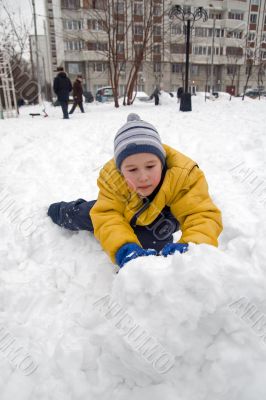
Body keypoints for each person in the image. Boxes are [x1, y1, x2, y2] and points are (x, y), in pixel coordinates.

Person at [47, 113, 223, 269]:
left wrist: (192, 247)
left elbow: (200, 214)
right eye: (132, 170)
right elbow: (108, 216)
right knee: (90, 214)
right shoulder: (113, 179)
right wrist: (124, 248)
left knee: (152, 242)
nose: (143, 177)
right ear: (121, 171)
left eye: (150, 166)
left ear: (162, 163)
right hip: (124, 208)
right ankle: (63, 211)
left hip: (159, 218)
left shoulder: (183, 175)